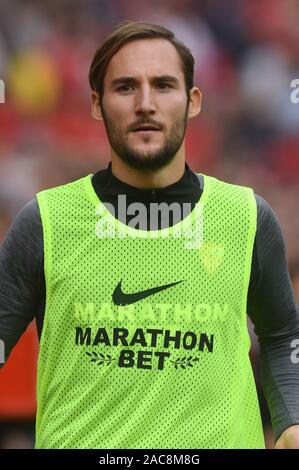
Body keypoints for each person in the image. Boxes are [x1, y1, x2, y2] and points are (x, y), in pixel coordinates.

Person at [1, 21, 299, 449]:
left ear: (192, 101)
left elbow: (282, 334)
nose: (145, 103)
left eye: (163, 85)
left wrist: (291, 420)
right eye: (125, 88)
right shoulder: (45, 222)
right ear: (96, 104)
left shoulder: (247, 219)